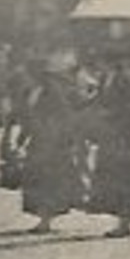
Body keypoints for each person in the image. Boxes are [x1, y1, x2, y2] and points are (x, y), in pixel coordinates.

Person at [85, 59, 130, 239]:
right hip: (110, 137)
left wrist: (110, 114)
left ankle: (125, 222)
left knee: (126, 178)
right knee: (114, 178)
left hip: (125, 137)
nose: (97, 69)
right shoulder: (106, 80)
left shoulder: (124, 81)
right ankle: (123, 221)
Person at [18, 52, 87, 234]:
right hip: (37, 142)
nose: (26, 76)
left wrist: (55, 135)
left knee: (48, 181)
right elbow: (26, 117)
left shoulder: (52, 91)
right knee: (36, 180)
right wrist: (21, 139)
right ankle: (43, 219)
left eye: (28, 73)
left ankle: (45, 221)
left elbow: (64, 116)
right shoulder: (29, 91)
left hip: (52, 144)